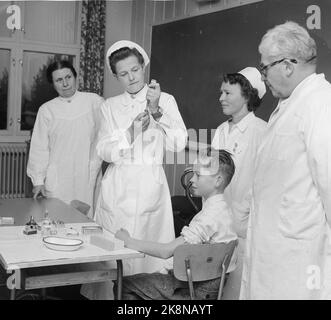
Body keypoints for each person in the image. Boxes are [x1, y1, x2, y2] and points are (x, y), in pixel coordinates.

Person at [241, 21, 331, 299]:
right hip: (275, 256)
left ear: (288, 66)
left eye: (265, 67)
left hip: (299, 262)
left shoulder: (321, 104)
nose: (264, 75)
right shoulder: (290, 104)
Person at [95, 41, 187, 274]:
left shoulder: (165, 100)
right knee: (112, 257)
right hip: (118, 185)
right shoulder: (110, 106)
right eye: (123, 74)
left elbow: (179, 143)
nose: (131, 78)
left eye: (135, 70)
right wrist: (130, 134)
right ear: (116, 77)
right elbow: (103, 150)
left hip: (149, 184)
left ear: (143, 67)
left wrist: (157, 111)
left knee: (147, 261)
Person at [115, 148, 237, 300]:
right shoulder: (225, 211)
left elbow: (166, 251)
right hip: (211, 289)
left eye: (198, 175)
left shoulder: (208, 218)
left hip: (194, 290)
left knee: (124, 284)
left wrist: (128, 241)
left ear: (218, 180)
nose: (192, 179)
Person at [211, 67, 266, 299]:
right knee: (215, 287)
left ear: (246, 96)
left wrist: (244, 213)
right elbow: (211, 171)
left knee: (238, 288)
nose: (221, 98)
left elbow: (264, 183)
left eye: (227, 93)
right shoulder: (222, 130)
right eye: (221, 93)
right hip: (216, 222)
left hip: (244, 225)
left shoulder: (261, 131)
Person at [27, 60, 103, 216]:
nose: (65, 83)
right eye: (59, 80)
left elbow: (107, 134)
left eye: (68, 77)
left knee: (87, 221)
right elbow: (39, 148)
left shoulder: (94, 102)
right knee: (56, 220)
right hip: (59, 177)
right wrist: (38, 180)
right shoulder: (47, 110)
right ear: (53, 84)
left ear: (76, 77)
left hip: (87, 174)